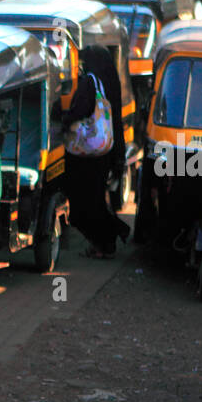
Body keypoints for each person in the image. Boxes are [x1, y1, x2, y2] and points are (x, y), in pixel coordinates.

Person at [63, 44, 129, 258]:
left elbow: (80, 110)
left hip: (87, 156)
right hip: (104, 152)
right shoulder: (110, 82)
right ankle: (104, 242)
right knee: (95, 199)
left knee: (84, 203)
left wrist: (64, 120)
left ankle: (109, 237)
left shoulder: (90, 82)